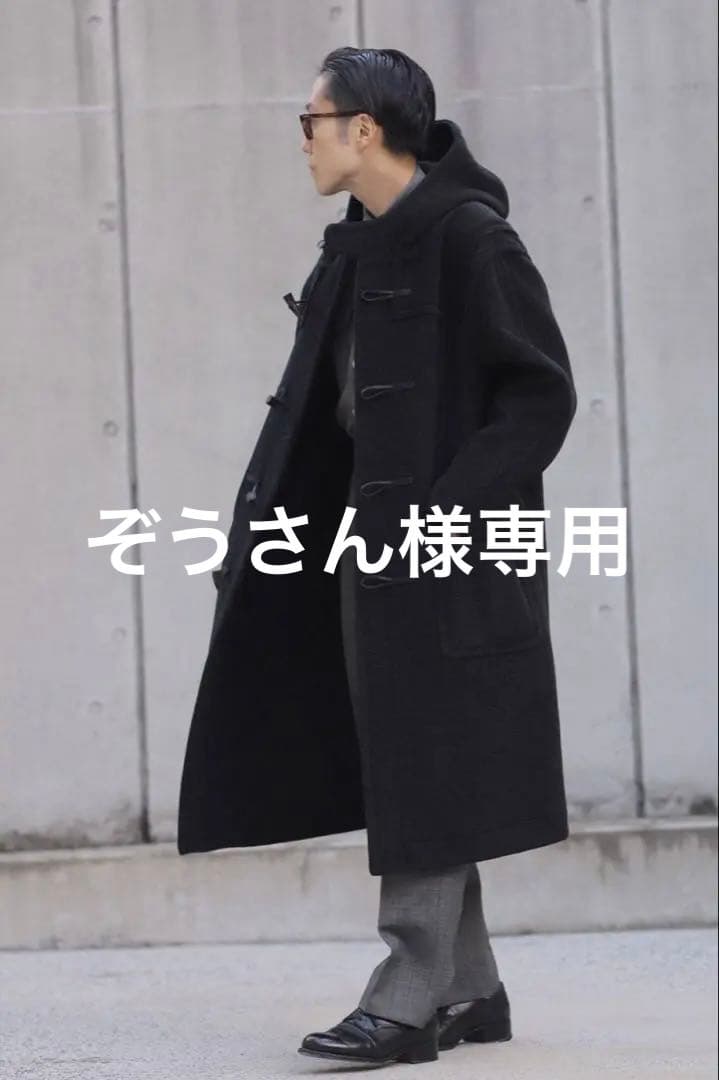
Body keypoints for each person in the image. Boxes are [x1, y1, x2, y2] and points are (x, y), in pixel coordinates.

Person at [177, 46, 578, 1069]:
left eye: (309, 119)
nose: (302, 140)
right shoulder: (354, 247)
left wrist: (441, 513)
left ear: (363, 128)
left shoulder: (470, 239)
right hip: (363, 547)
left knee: (424, 761)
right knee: (414, 760)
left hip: (443, 555)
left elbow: (539, 397)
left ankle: (405, 997)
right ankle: (471, 988)